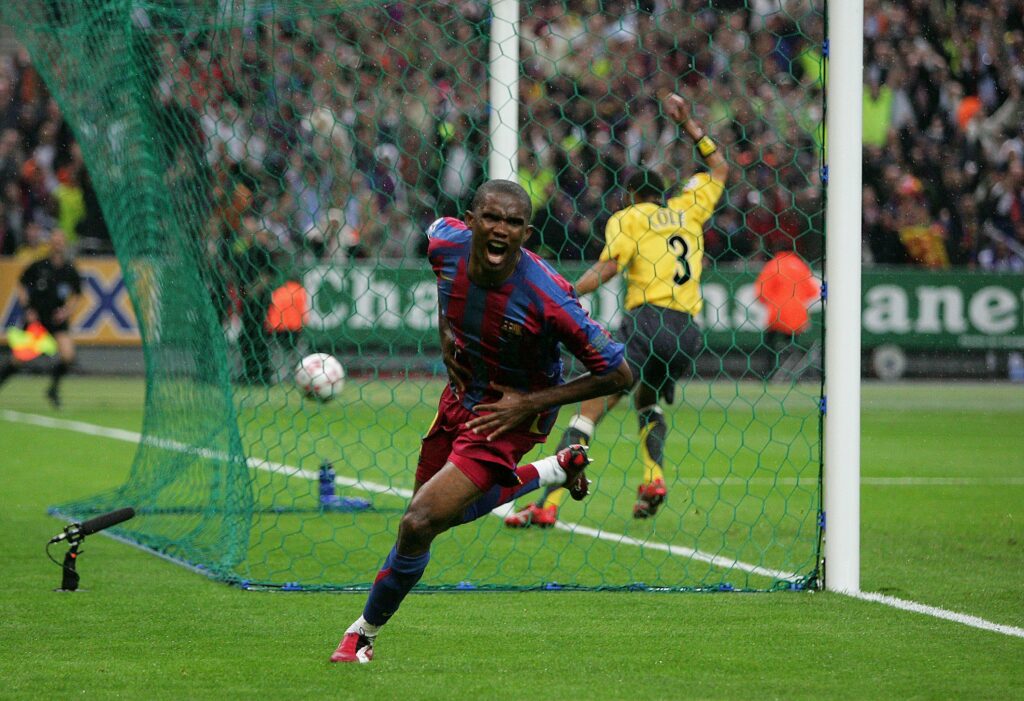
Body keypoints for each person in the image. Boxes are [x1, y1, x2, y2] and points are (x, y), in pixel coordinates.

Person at [331, 179, 632, 663]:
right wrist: (446, 331)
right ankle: (554, 470)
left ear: (525, 233)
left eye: (514, 223)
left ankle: (361, 636)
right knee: (428, 521)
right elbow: (443, 279)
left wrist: (529, 405)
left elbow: (618, 373)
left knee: (417, 521)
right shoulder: (444, 243)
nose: (501, 230)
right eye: (491, 218)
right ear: (470, 222)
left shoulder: (548, 297)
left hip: (507, 415)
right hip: (460, 396)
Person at [505, 91, 729, 527]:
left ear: (630, 196)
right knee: (646, 400)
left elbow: (608, 267)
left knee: (589, 410)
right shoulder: (688, 210)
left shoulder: (629, 218)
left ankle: (547, 505)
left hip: (646, 322)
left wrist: (566, 291)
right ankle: (653, 477)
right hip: (687, 332)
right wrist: (688, 124)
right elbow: (720, 168)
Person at [0, 229, 82, 407]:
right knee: (18, 360)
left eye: (61, 241)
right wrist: (28, 308)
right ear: (50, 243)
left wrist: (66, 312)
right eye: (55, 240)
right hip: (37, 320)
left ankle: (52, 390)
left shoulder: (69, 270)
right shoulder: (39, 266)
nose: (58, 244)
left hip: (57, 321)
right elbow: (21, 285)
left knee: (68, 355)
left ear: (65, 244)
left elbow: (77, 295)